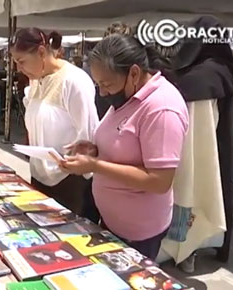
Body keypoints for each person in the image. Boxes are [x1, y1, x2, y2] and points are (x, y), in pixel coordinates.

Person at [60, 34, 189, 260]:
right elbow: (124, 146)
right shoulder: (129, 95)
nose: (102, 93)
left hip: (139, 231)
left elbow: (159, 181)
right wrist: (94, 149)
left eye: (107, 84)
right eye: (98, 85)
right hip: (114, 223)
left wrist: (95, 165)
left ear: (134, 73)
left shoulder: (162, 109)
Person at [164, 15, 233, 271]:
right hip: (207, 145)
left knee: (190, 194)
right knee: (196, 196)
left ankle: (186, 252)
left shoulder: (202, 73)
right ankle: (186, 251)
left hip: (196, 145)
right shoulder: (219, 68)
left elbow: (200, 125)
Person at [11, 28, 100, 222]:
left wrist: (75, 161)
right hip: (39, 175)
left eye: (21, 61)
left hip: (69, 181)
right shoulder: (37, 80)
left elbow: (90, 134)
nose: (18, 69)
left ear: (42, 52)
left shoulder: (74, 80)